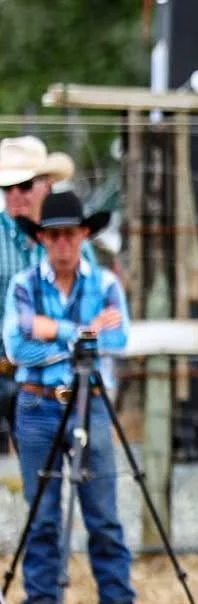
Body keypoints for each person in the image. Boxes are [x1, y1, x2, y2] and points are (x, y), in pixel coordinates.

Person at [2, 191, 143, 604]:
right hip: (36, 405)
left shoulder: (106, 283)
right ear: (42, 239)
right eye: (54, 235)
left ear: (83, 235)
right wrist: (80, 333)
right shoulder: (24, 283)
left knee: (102, 510)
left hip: (90, 400)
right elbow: (15, 347)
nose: (62, 243)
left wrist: (48, 331)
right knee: (41, 512)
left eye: (69, 234)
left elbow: (118, 340)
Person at [0, 136, 94, 450]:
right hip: (7, 371)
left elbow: (94, 299)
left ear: (46, 185)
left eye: (24, 185)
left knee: (84, 461)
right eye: (6, 187)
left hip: (64, 371)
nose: (15, 194)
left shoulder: (77, 244)